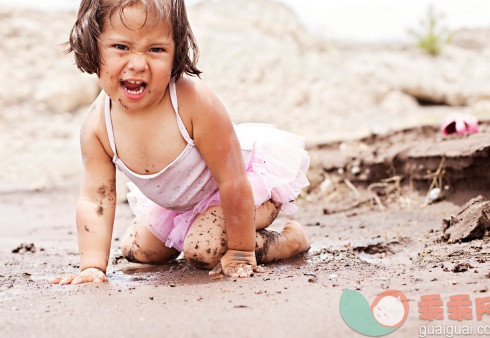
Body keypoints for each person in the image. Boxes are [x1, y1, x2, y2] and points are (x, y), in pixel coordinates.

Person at [50, 0, 310, 285]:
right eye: (121, 47)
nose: (137, 64)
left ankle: (289, 240)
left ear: (176, 52)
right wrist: (92, 268)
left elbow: (232, 179)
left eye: (156, 49)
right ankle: (201, 230)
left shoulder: (192, 103)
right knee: (137, 250)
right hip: (185, 204)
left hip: (247, 187)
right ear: (92, 45)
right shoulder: (97, 126)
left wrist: (239, 251)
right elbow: (96, 198)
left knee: (203, 251)